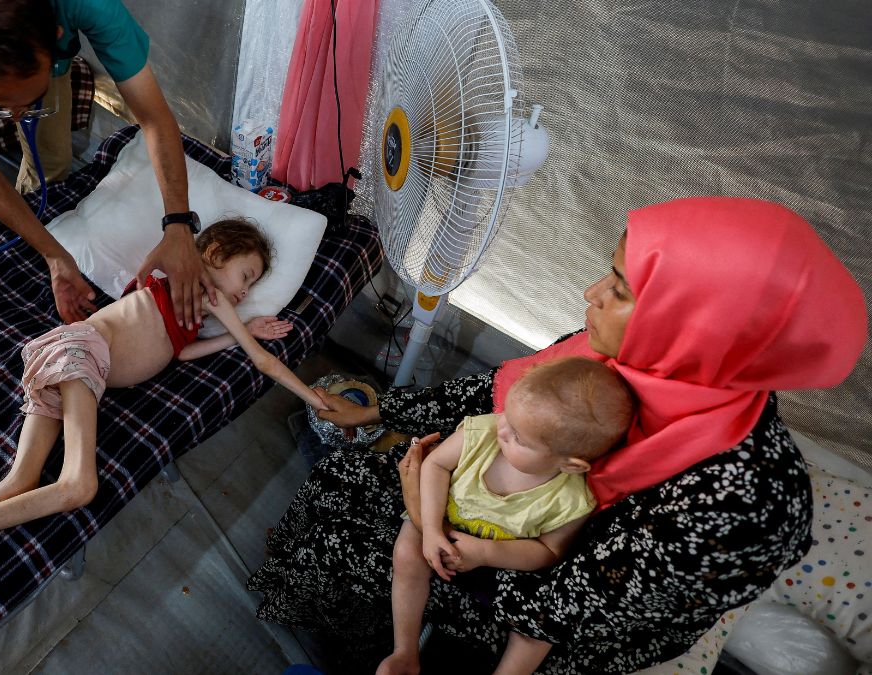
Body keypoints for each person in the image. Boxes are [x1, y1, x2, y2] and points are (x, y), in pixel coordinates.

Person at [247, 197, 867, 672]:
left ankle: (376, 652)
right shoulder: (627, 357)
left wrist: (422, 515)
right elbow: (505, 398)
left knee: (352, 541)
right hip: (509, 518)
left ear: (697, 324)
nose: (590, 294)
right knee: (342, 479)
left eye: (619, 289)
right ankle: (353, 631)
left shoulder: (741, 504)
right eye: (609, 275)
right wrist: (383, 411)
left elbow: (562, 604)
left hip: (557, 606)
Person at [0, 219, 328, 649]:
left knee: (15, 484)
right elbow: (262, 360)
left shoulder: (188, 308)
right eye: (246, 275)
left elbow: (180, 352)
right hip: (82, 354)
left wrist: (238, 334)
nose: (246, 291)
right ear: (214, 254)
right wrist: (313, 398)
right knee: (78, 486)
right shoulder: (200, 286)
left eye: (252, 285)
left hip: (68, 354)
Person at [0, 0, 211, 328]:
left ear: (56, 33)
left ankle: (37, 250)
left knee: (52, 162)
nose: (16, 116)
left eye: (29, 100)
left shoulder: (91, 5)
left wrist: (178, 224)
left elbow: (154, 118)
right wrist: (54, 254)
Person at [379, 357, 634, 675]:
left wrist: (487, 553)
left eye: (519, 438)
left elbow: (549, 551)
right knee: (407, 552)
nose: (501, 430)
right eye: (506, 416)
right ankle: (404, 651)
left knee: (541, 630)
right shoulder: (481, 433)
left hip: (504, 560)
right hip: (441, 525)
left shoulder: (572, 500)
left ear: (570, 465)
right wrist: (430, 529)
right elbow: (435, 465)